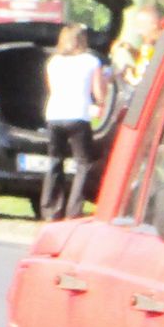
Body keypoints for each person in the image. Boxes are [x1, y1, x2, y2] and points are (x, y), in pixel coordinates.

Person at [41, 23, 103, 220]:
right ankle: (74, 210)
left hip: (54, 115)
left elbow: (52, 88)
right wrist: (101, 102)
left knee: (55, 161)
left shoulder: (53, 62)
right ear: (82, 41)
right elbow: (99, 92)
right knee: (83, 163)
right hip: (78, 115)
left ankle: (50, 209)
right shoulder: (91, 61)